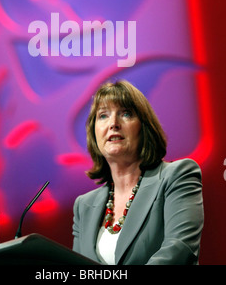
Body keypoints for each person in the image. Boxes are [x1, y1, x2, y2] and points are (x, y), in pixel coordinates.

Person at [72, 80, 204, 265]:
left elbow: (180, 249)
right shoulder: (83, 206)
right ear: (94, 133)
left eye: (126, 113)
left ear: (144, 127)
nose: (113, 124)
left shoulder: (177, 176)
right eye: (103, 116)